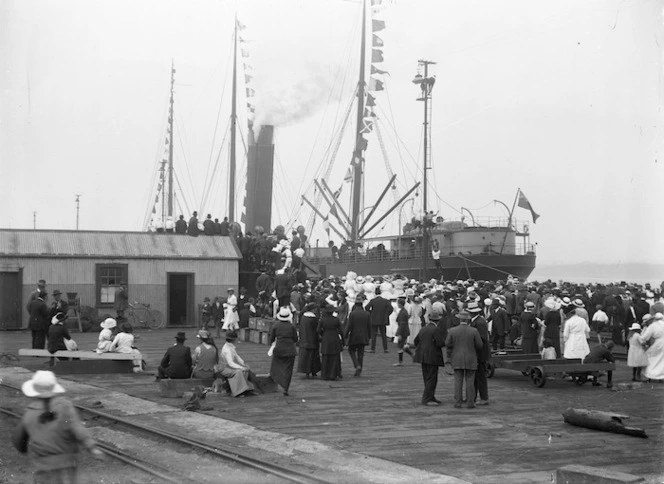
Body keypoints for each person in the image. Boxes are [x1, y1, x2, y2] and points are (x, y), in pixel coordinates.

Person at [12, 371, 104, 482]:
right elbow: (77, 428)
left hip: (42, 465)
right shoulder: (65, 407)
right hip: (67, 463)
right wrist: (92, 447)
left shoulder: (29, 413)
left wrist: (23, 449)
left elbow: (19, 439)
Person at [446, 311, 483, 409]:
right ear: (468, 320)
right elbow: (480, 345)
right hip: (471, 358)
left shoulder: (452, 330)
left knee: (458, 381)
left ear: (459, 319)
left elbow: (447, 343)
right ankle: (470, 402)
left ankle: (458, 402)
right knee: (470, 381)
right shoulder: (474, 331)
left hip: (457, 358)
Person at [413, 310, 446, 406]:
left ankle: (430, 396)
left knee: (426, 377)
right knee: (432, 378)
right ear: (438, 321)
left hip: (422, 356)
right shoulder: (436, 330)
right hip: (433, 356)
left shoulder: (423, 328)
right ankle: (427, 398)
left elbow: (416, 341)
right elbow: (440, 343)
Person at [217, 331, 259, 397]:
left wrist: (244, 364)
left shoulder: (230, 347)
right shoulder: (227, 349)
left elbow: (237, 356)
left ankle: (247, 389)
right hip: (224, 368)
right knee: (239, 371)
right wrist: (242, 368)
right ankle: (238, 392)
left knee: (245, 370)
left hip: (228, 367)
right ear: (234, 339)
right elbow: (230, 363)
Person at [268, 308, 299, 395]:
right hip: (290, 350)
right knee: (288, 369)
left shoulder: (276, 326)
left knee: (276, 366)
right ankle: (286, 387)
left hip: (279, 349)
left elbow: (271, 339)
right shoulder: (292, 326)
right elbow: (295, 339)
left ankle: (277, 378)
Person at [468, 301, 490, 406]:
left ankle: (484, 397)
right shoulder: (477, 321)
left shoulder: (479, 322)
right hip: (478, 353)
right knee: (477, 376)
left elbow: (482, 340)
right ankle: (475, 396)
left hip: (480, 354)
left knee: (480, 376)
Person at [345, 295, 371, 377]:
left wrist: (345, 335)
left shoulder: (352, 314)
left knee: (351, 350)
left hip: (354, 335)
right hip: (363, 335)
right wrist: (369, 336)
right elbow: (369, 326)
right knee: (361, 353)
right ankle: (359, 369)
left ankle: (356, 365)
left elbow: (349, 326)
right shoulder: (367, 314)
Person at [297, 302, 322, 378]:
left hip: (304, 340)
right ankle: (313, 371)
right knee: (313, 357)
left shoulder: (303, 317)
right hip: (312, 340)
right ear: (313, 309)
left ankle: (306, 371)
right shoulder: (314, 319)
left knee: (305, 357)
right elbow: (317, 330)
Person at [366, 288, 393, 353]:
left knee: (374, 335)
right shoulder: (385, 301)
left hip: (374, 319)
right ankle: (385, 349)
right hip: (383, 319)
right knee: (383, 335)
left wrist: (371, 313)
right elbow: (391, 309)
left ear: (375, 293)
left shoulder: (373, 300)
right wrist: (386, 314)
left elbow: (366, 307)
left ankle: (373, 349)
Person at [639, 312, 664, 381]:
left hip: (658, 343)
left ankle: (650, 374)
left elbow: (645, 337)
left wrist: (640, 338)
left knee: (650, 357)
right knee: (662, 360)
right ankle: (661, 376)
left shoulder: (653, 326)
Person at [393, 298, 413, 366]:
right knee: (402, 346)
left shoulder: (403, 312)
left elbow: (402, 324)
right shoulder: (403, 311)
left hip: (403, 331)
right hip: (404, 330)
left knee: (400, 346)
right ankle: (412, 355)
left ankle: (400, 361)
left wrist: (399, 334)